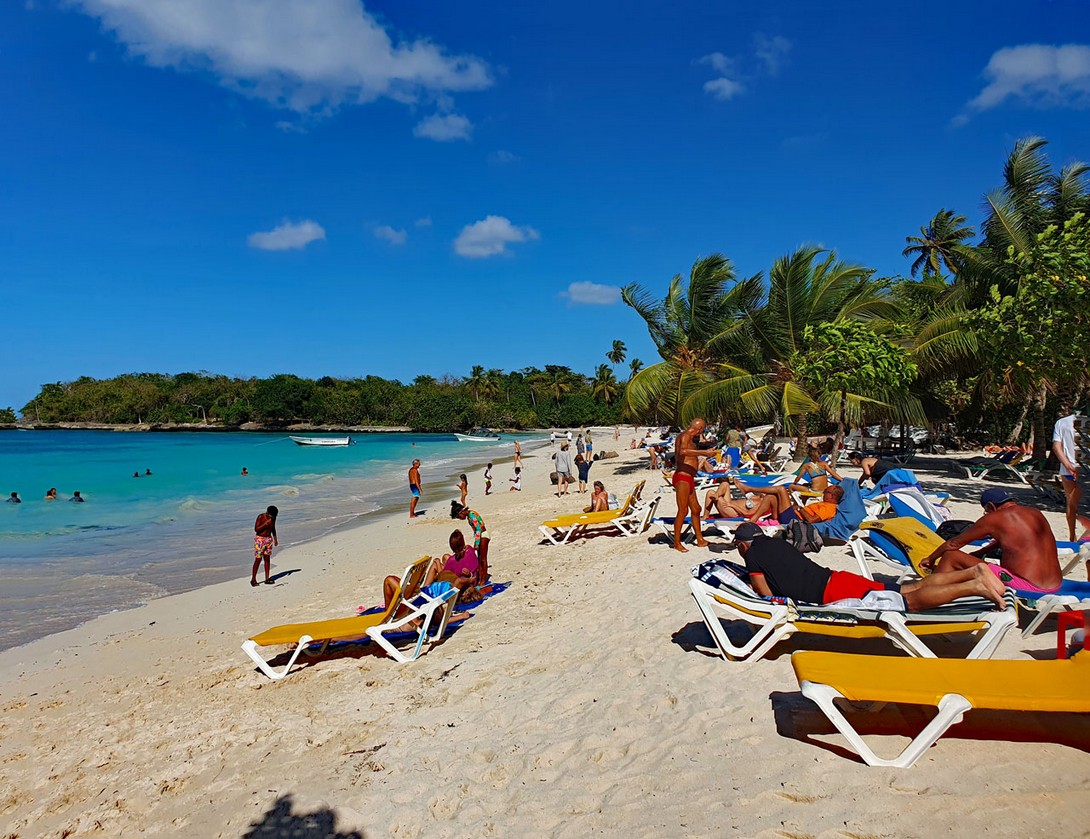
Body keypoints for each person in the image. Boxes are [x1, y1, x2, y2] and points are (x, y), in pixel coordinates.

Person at [732, 522, 1007, 609]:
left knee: (907, 603)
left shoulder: (753, 555)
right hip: (837, 578)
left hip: (831, 594)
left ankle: (973, 585)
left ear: (743, 544)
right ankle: (973, 572)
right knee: (907, 588)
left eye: (737, 547)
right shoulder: (778, 542)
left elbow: (765, 593)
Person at [919, 488, 1063, 593]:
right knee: (965, 559)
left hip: (1028, 585)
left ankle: (930, 593)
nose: (986, 514)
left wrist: (930, 559)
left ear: (991, 507)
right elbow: (1015, 541)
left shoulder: (994, 518)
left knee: (951, 556)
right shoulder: (1035, 512)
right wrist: (980, 552)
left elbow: (953, 544)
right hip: (1056, 583)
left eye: (986, 511)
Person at [672, 417, 712, 552]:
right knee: (683, 511)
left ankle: (700, 539)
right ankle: (676, 543)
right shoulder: (685, 436)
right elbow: (682, 451)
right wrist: (704, 453)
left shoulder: (688, 437)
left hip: (688, 477)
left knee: (696, 509)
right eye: (702, 430)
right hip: (682, 477)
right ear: (699, 429)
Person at [733, 478, 843, 524]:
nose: (823, 493)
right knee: (770, 497)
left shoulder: (829, 508)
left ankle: (749, 488)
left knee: (781, 489)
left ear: (832, 496)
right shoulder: (826, 504)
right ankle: (753, 519)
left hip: (794, 521)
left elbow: (811, 520)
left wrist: (800, 508)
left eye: (826, 492)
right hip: (793, 516)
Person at [1053, 411, 1082, 542]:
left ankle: (1072, 536)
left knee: (1071, 505)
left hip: (1067, 470)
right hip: (1085, 469)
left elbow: (1056, 447)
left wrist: (1068, 465)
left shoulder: (1062, 422)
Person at [451, 502, 489, 582]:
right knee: (479, 559)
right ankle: (480, 578)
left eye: (459, 517)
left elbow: (478, 529)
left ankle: (483, 580)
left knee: (483, 559)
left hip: (483, 535)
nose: (460, 519)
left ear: (461, 512)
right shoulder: (469, 516)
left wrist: (477, 543)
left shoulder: (471, 514)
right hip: (479, 537)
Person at [251, 505, 279, 586]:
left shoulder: (273, 518)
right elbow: (256, 529)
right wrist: (266, 523)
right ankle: (253, 579)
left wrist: (275, 538)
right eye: (271, 516)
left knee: (267, 558)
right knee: (258, 559)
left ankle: (267, 578)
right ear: (267, 513)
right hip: (260, 539)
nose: (272, 518)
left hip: (268, 539)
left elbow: (273, 528)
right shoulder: (261, 517)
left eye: (274, 516)